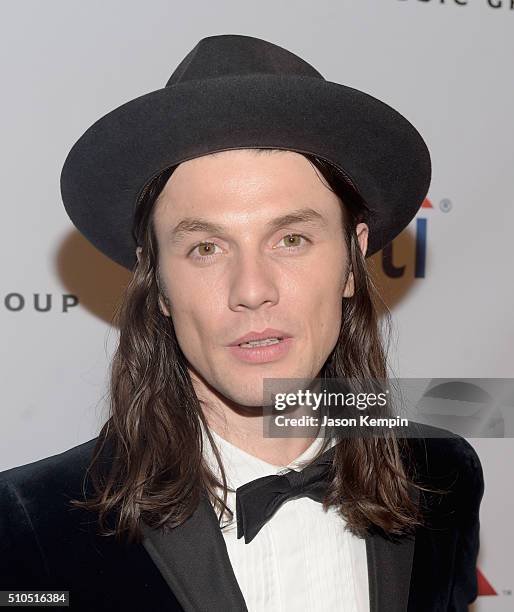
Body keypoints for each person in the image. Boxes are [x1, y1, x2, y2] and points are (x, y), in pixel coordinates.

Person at [0, 34, 484, 612]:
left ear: (352, 262)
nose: (252, 290)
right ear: (156, 282)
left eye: (292, 239)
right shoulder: (33, 523)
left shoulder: (442, 477)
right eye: (205, 248)